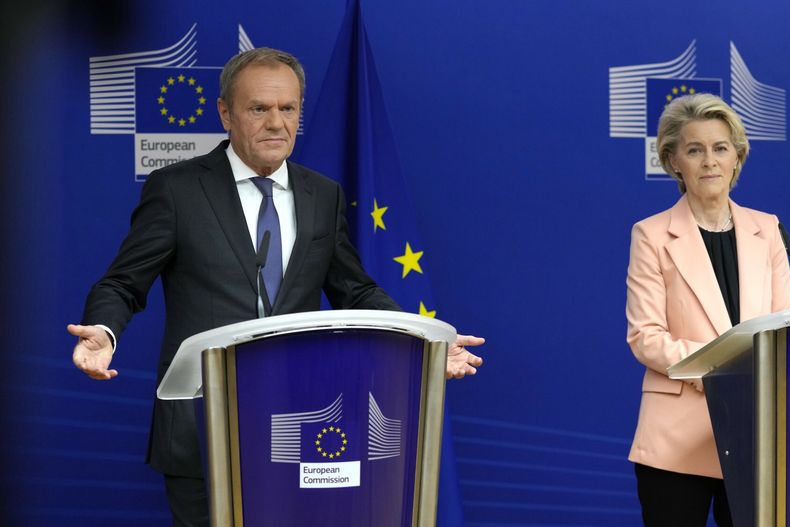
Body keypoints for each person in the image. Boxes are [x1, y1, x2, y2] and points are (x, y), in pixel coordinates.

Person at [67, 47, 484, 527]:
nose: (275, 123)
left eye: (288, 109)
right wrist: (103, 329)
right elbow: (123, 282)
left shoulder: (321, 195)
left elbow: (357, 291)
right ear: (225, 113)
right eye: (258, 108)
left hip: (300, 430)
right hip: (204, 431)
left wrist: (423, 342)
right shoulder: (177, 190)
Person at [625, 93, 790, 526]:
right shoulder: (651, 235)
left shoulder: (768, 228)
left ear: (737, 157)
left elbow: (783, 327)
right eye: (694, 150)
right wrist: (722, 371)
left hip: (755, 432)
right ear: (673, 161)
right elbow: (646, 336)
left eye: (720, 148)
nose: (709, 161)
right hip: (676, 439)